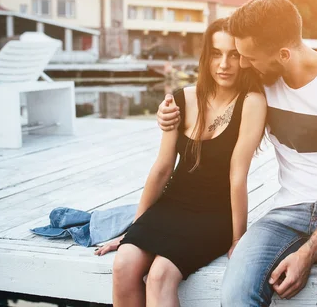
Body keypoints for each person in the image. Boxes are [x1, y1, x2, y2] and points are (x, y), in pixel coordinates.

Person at [156, 0, 317, 306]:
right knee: (235, 294)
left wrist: (309, 252)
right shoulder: (261, 81)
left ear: (284, 54)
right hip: (288, 210)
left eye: (248, 56)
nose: (243, 64)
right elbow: (208, 99)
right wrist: (169, 112)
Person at [95, 18, 267, 307]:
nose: (224, 64)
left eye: (233, 55)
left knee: (160, 275)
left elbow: (238, 175)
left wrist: (239, 238)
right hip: (171, 206)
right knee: (124, 263)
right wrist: (136, 229)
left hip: (214, 215)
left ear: (245, 58)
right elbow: (163, 168)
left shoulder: (252, 101)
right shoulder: (181, 99)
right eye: (216, 53)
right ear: (205, 56)